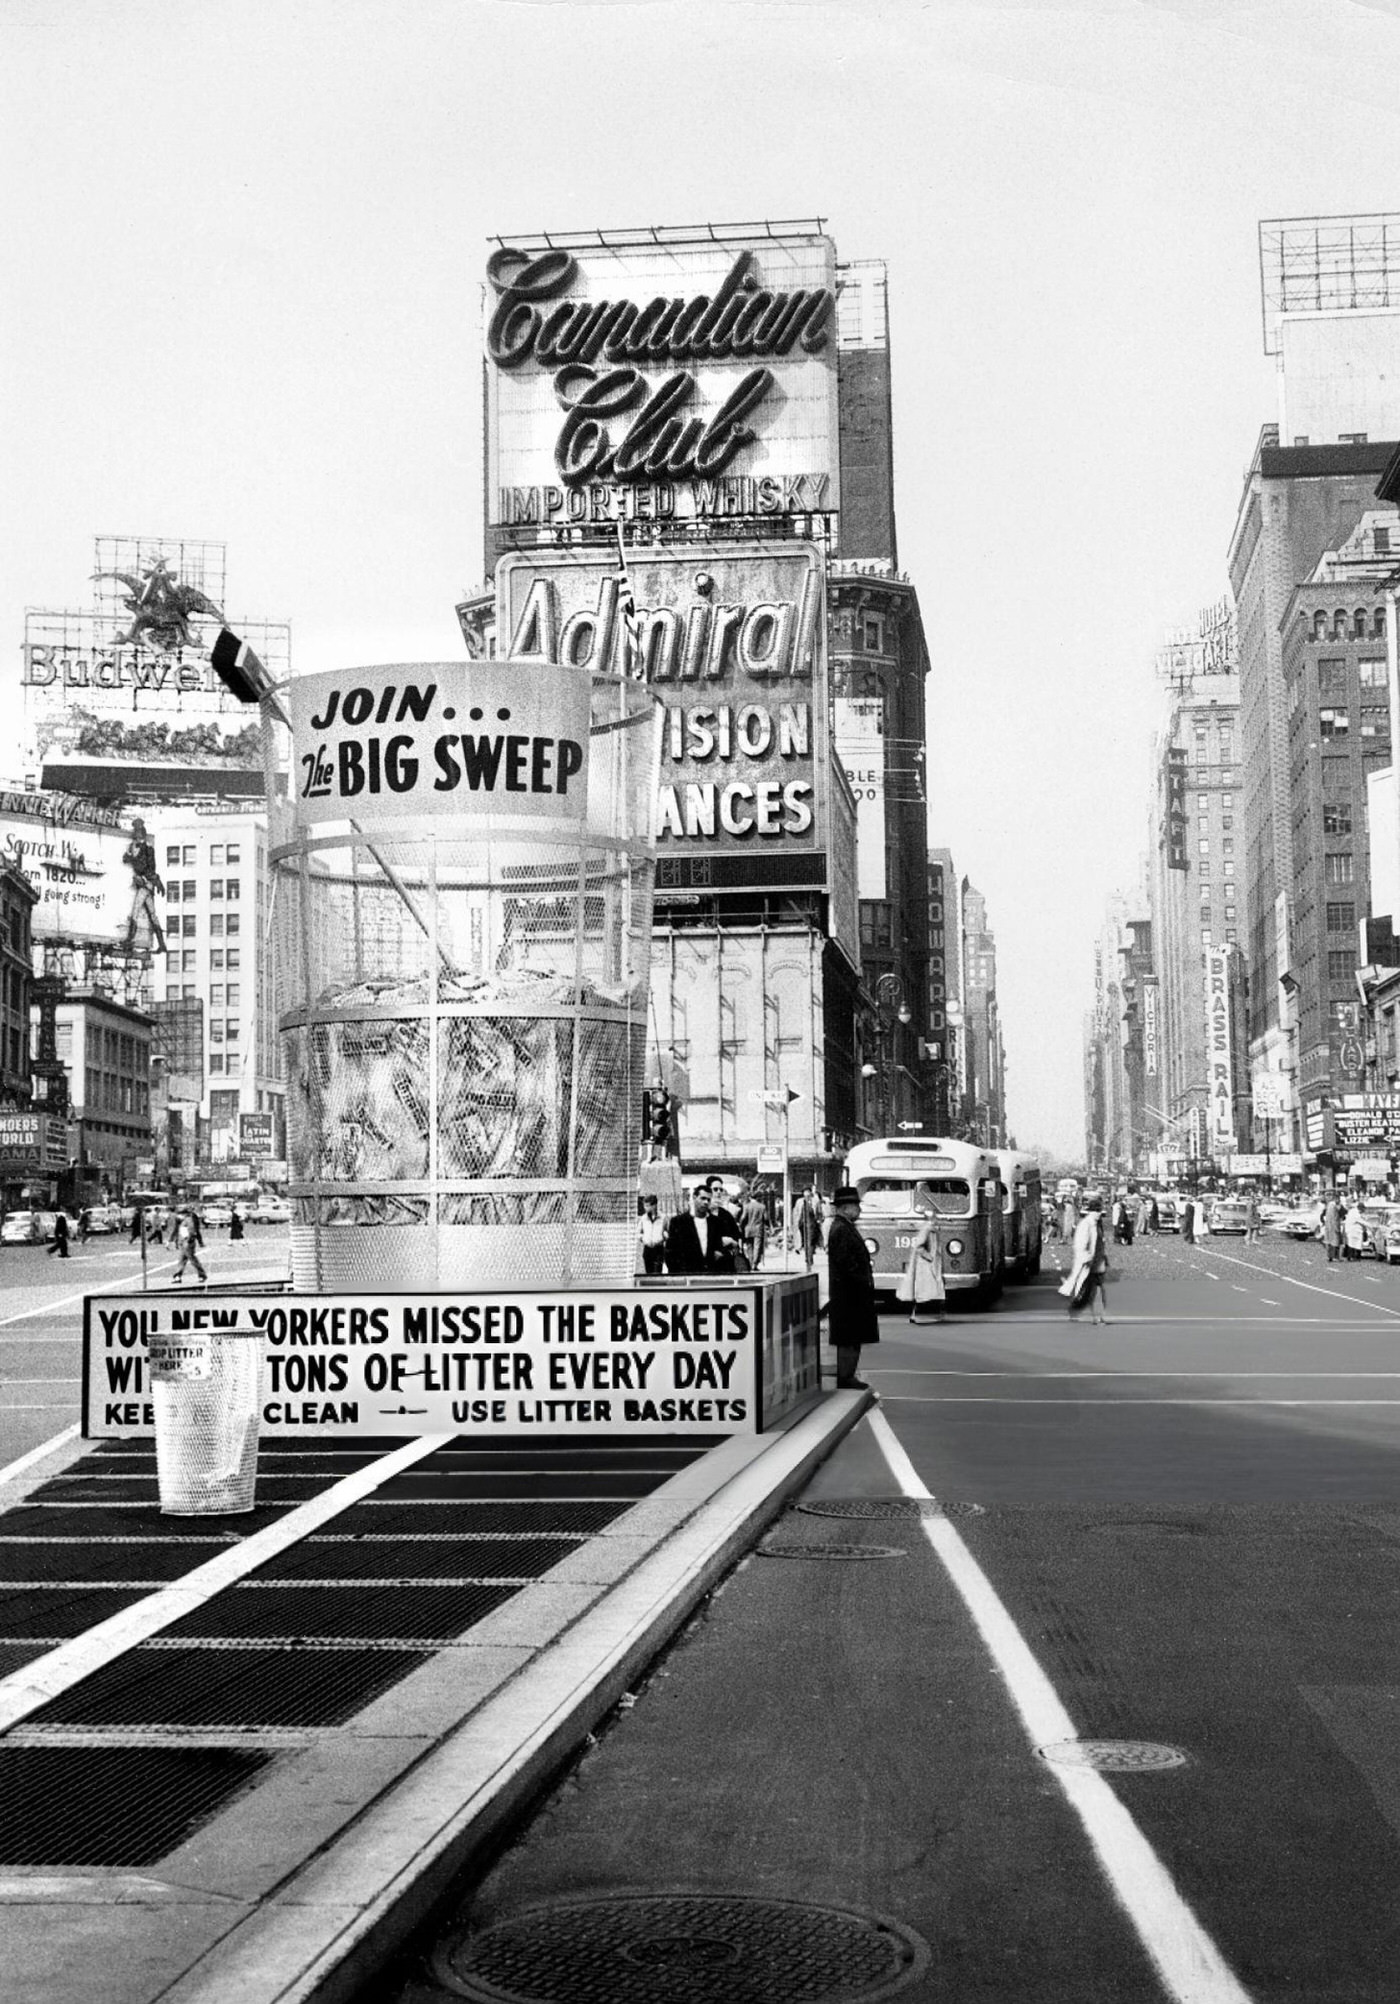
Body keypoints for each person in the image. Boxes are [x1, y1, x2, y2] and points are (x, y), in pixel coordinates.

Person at [821, 1184, 879, 1389]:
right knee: (849, 1337)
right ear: (845, 1208)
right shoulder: (841, 1229)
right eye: (855, 1206)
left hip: (850, 1292)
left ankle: (848, 1375)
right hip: (849, 1294)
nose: (859, 1209)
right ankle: (846, 1376)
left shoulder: (844, 1227)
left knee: (853, 1337)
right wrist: (861, 1282)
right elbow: (847, 1263)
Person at [664, 1183, 740, 1276]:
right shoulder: (679, 1222)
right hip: (687, 1276)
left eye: (708, 1199)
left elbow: (725, 1249)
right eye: (702, 1198)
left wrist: (721, 1254)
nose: (706, 1202)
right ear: (694, 1197)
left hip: (711, 1275)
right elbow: (671, 1252)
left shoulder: (716, 1222)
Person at [898, 1185, 946, 1324]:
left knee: (930, 1291)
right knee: (924, 1292)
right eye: (934, 1218)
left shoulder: (931, 1229)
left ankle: (925, 1314)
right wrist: (929, 1257)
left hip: (929, 1265)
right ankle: (918, 1315)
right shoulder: (927, 1229)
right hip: (925, 1266)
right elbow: (919, 1246)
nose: (936, 1219)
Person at [1062, 1194, 1109, 1323]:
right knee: (1087, 1292)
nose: (1099, 1214)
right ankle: (1075, 1310)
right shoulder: (1086, 1224)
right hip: (1088, 1264)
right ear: (1092, 1211)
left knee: (1097, 1291)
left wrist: (1104, 1258)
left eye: (1100, 1211)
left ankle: (1098, 1316)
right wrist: (1086, 1258)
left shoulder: (1097, 1225)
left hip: (1097, 1264)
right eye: (1097, 1211)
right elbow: (1080, 1244)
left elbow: (1100, 1244)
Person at [792, 1185, 824, 1269]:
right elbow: (796, 1212)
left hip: (812, 1224)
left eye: (808, 1192)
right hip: (802, 1224)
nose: (806, 1194)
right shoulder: (799, 1201)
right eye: (804, 1192)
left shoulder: (815, 1201)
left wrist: (819, 1220)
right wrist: (796, 1223)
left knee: (810, 1241)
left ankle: (809, 1259)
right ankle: (807, 1257)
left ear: (810, 1193)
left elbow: (819, 1212)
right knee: (805, 1241)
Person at [172, 1207, 207, 1284]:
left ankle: (202, 1274)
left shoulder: (188, 1220)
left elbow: (191, 1231)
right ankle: (178, 1276)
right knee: (182, 1259)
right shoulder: (182, 1221)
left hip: (187, 1242)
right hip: (183, 1242)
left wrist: (189, 1240)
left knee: (192, 1259)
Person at [739, 1185, 768, 1272]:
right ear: (758, 1197)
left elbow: (743, 1218)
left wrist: (741, 1225)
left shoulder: (746, 1206)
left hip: (748, 1229)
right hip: (758, 1229)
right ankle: (755, 1264)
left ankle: (751, 1263)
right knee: (757, 1247)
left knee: (749, 1247)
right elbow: (766, 1218)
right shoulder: (762, 1206)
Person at [636, 1193, 666, 1275]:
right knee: (648, 1274)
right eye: (645, 1206)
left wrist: (663, 1237)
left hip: (658, 1249)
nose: (646, 1208)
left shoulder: (663, 1218)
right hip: (647, 1250)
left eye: (647, 1206)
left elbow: (668, 1231)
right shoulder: (643, 1218)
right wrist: (643, 1238)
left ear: (654, 1205)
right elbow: (638, 1232)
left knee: (657, 1274)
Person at [1322, 1192, 1343, 1263]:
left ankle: (1330, 1257)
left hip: (1329, 1226)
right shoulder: (1334, 1205)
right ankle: (1335, 1257)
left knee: (1330, 1242)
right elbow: (1341, 1212)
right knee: (1335, 1242)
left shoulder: (1329, 1205)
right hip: (1334, 1226)